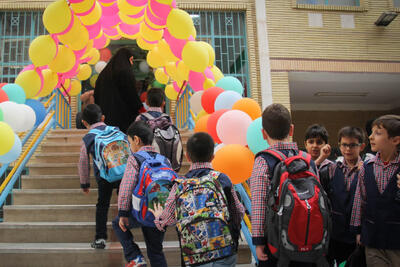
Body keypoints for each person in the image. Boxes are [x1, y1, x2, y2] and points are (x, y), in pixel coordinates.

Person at [150, 132, 245, 267]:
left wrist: (159, 217)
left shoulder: (179, 184)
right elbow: (238, 211)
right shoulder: (222, 179)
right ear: (213, 156)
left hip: (193, 255)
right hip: (224, 251)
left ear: (188, 157)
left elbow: (168, 219)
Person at [250, 103, 317, 267]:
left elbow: (259, 204)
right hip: (309, 240)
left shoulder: (263, 161)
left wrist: (259, 241)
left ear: (263, 134)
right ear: (292, 130)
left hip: (276, 243)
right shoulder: (308, 160)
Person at [112, 121, 168, 267]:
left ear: (136, 140)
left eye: (130, 142)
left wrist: (123, 212)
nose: (130, 146)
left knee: (117, 224)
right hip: (160, 213)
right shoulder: (164, 160)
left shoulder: (135, 159)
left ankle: (135, 257)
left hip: (140, 212)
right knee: (156, 251)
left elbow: (126, 186)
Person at [350, 114, 400, 267]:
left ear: (395, 140)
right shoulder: (367, 166)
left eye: (378, 133)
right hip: (372, 238)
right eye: (371, 133)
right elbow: (360, 200)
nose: (371, 137)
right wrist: (357, 230)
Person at [78, 104, 123, 249]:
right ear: (103, 117)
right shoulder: (116, 130)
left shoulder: (88, 138)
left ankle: (100, 238)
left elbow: (83, 163)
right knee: (124, 203)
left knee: (102, 205)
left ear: (84, 122)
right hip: (123, 173)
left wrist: (85, 184)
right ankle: (126, 233)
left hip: (104, 177)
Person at [320, 126, 366, 266]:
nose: (348, 149)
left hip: (356, 235)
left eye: (352, 145)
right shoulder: (332, 169)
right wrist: (322, 157)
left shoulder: (367, 169)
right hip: (334, 232)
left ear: (362, 146)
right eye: (344, 145)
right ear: (339, 146)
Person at [94, 47, 143, 133]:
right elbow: (130, 94)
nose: (131, 63)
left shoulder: (104, 73)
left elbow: (97, 94)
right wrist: (139, 107)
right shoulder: (126, 72)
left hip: (107, 118)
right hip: (124, 118)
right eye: (131, 60)